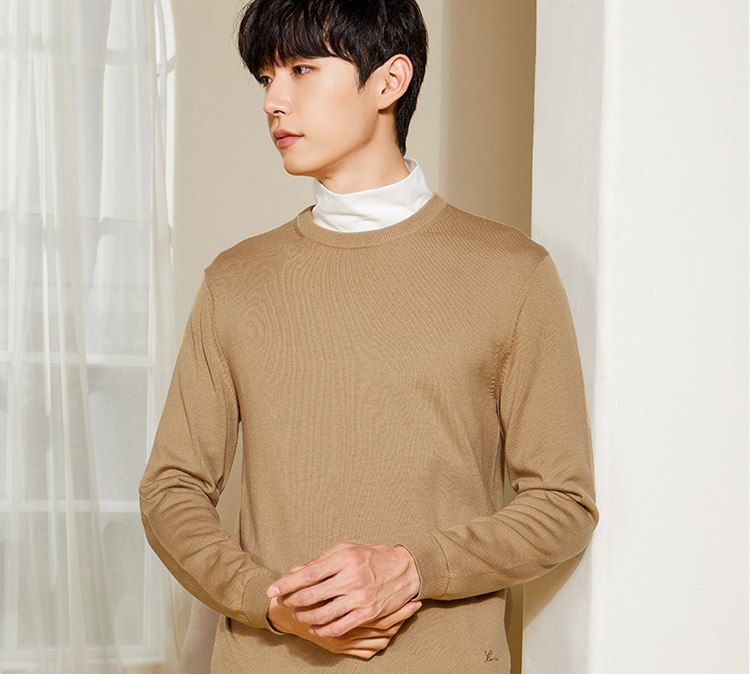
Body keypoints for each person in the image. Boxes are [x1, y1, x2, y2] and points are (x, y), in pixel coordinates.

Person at [137, 0, 600, 671]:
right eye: (266, 77)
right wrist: (268, 600)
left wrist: (414, 568)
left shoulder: (512, 273)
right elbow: (169, 489)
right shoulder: (235, 281)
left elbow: (564, 503)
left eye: (301, 69)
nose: (273, 101)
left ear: (390, 80)